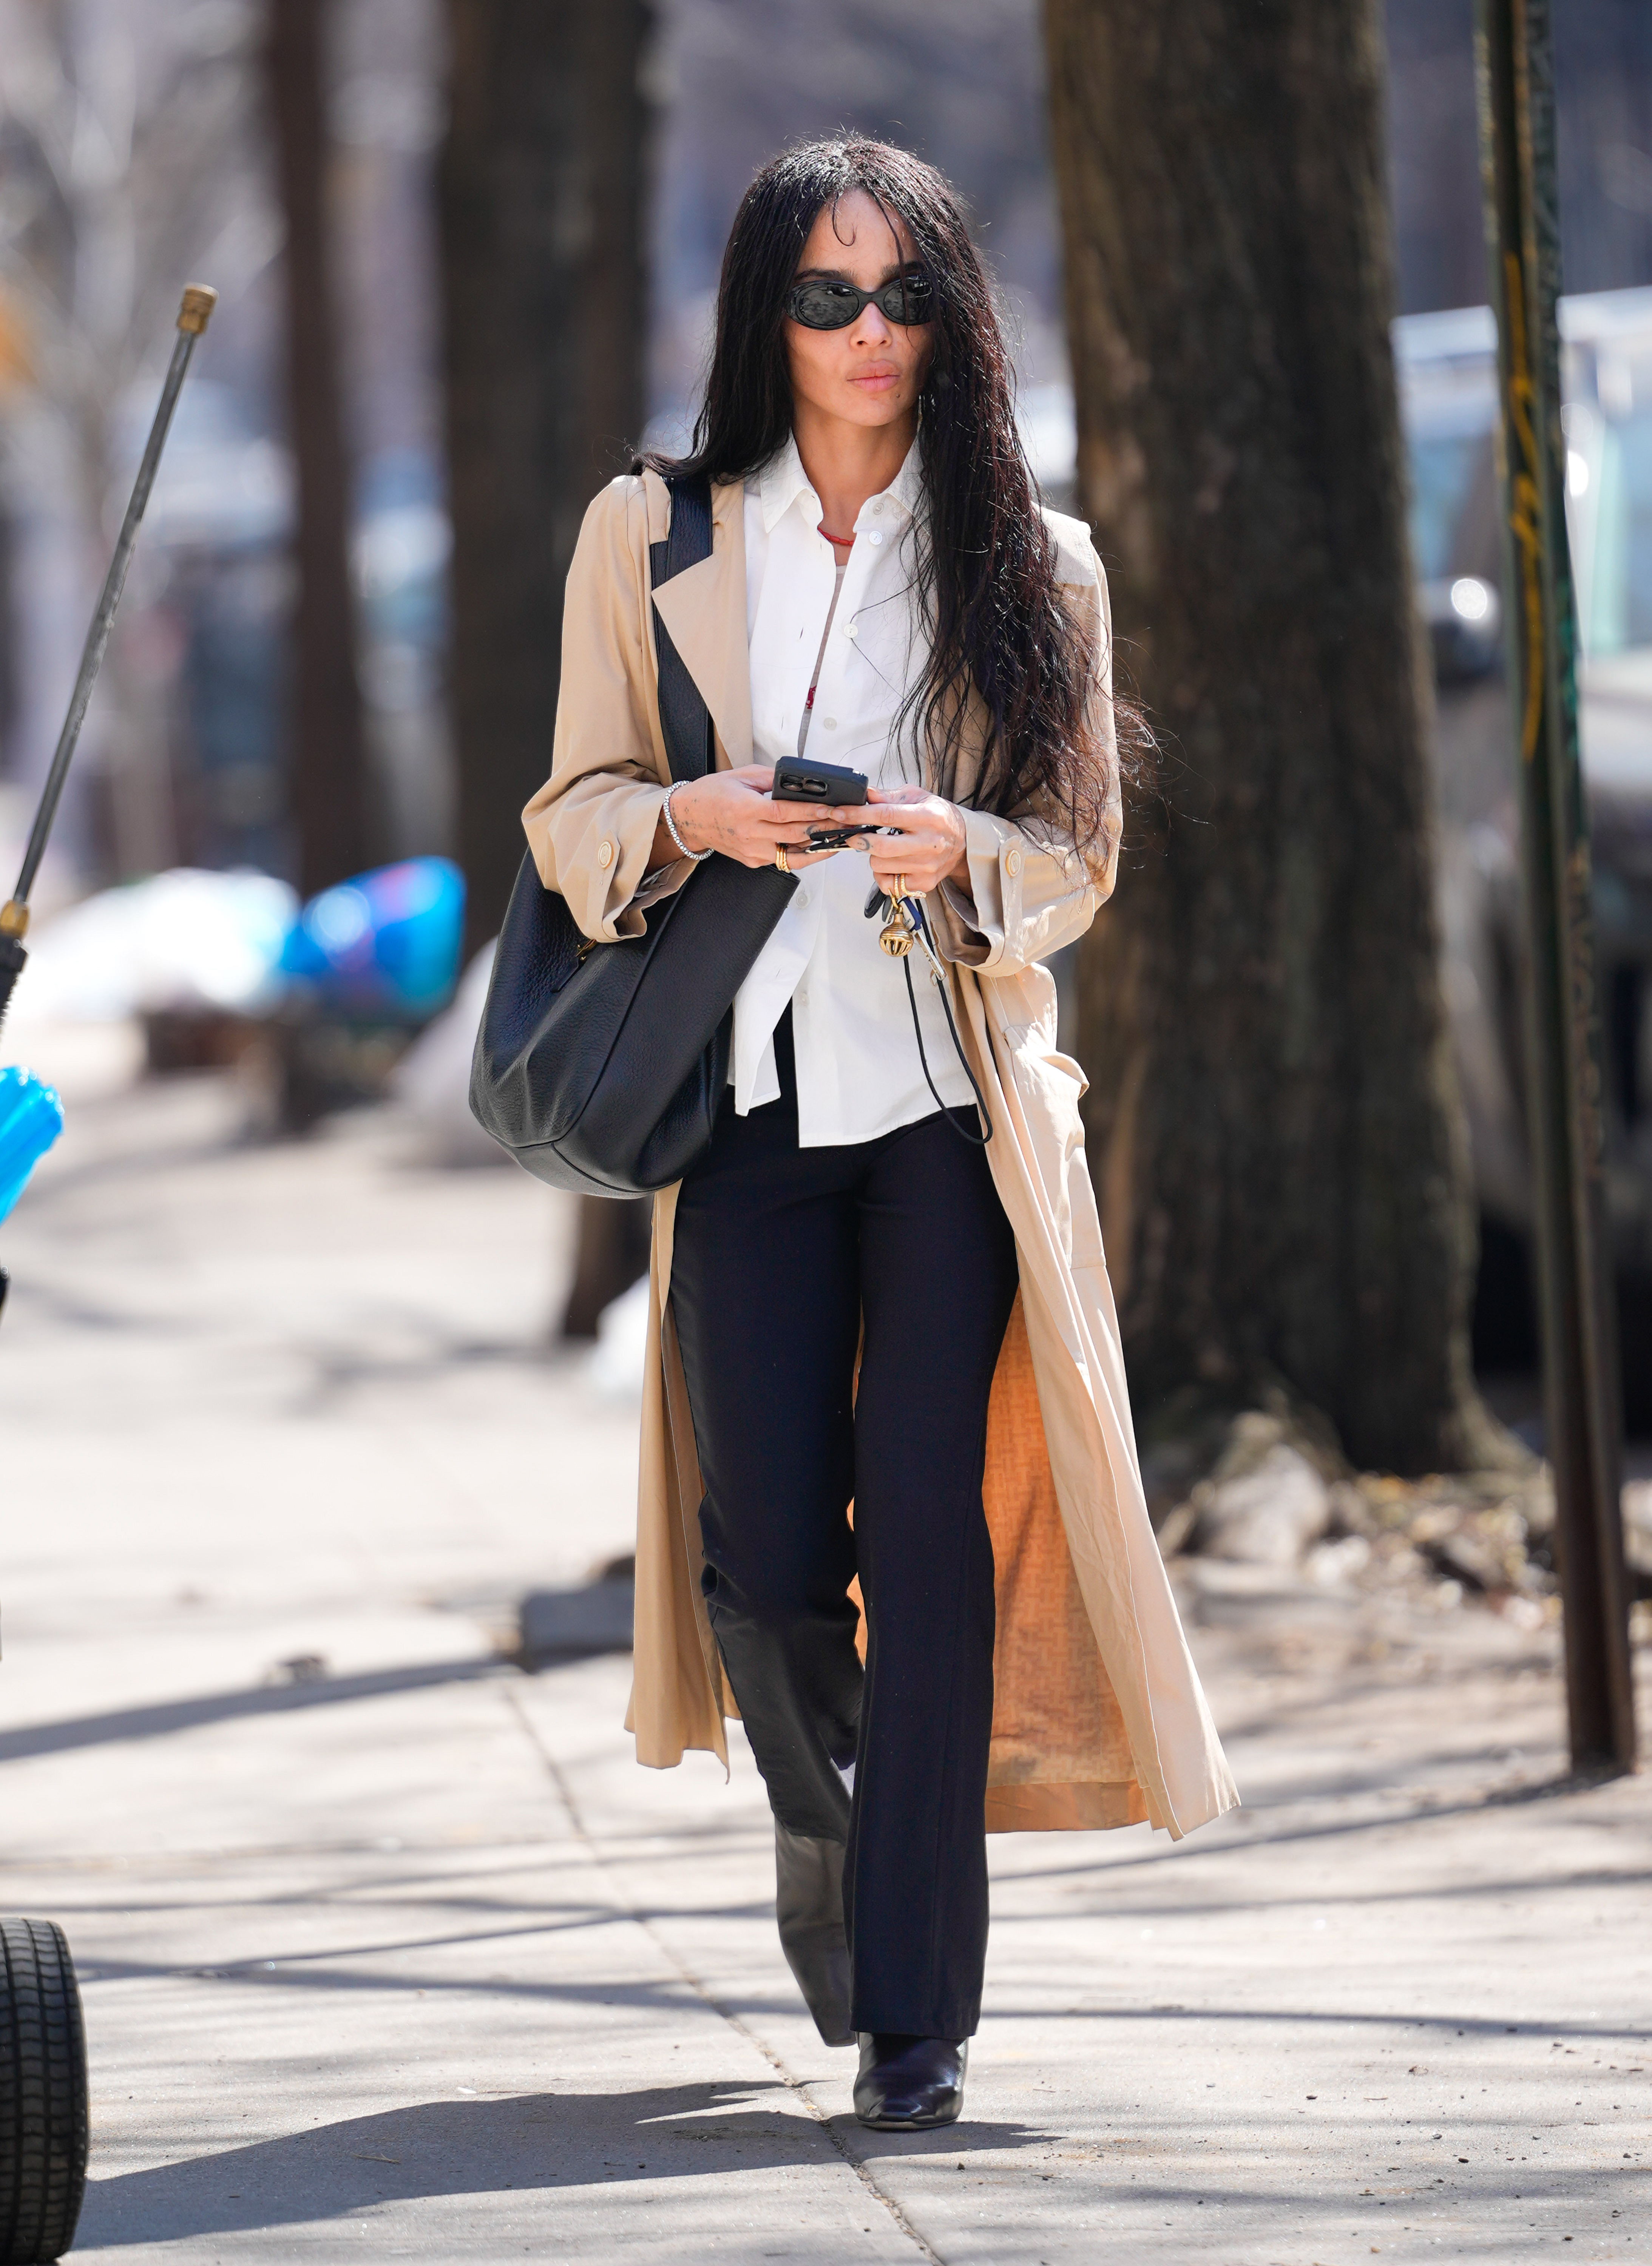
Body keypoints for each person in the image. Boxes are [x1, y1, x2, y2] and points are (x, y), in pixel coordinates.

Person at [522, 138, 1238, 2132]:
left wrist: (958, 849)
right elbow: (570, 813)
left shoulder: (1034, 556)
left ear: (953, 316)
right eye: (825, 298)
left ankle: (916, 2016)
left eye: (901, 295)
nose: (865, 336)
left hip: (944, 1109)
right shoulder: (649, 535)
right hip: (739, 1102)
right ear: (764, 312)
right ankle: (832, 1832)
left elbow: (1076, 856)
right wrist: (692, 819)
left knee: (927, 1550)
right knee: (768, 1560)